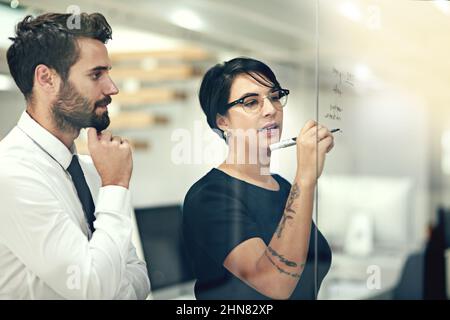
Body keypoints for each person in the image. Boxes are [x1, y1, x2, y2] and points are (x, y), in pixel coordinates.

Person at [0, 12, 150, 299]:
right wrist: (116, 185)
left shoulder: (92, 170)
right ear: (46, 78)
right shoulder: (10, 173)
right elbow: (93, 289)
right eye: (96, 74)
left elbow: (139, 276)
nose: (112, 88)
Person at [183, 57, 334, 300]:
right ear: (222, 122)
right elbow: (275, 283)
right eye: (251, 102)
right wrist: (305, 177)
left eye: (274, 97)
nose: (271, 109)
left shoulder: (283, 187)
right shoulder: (209, 197)